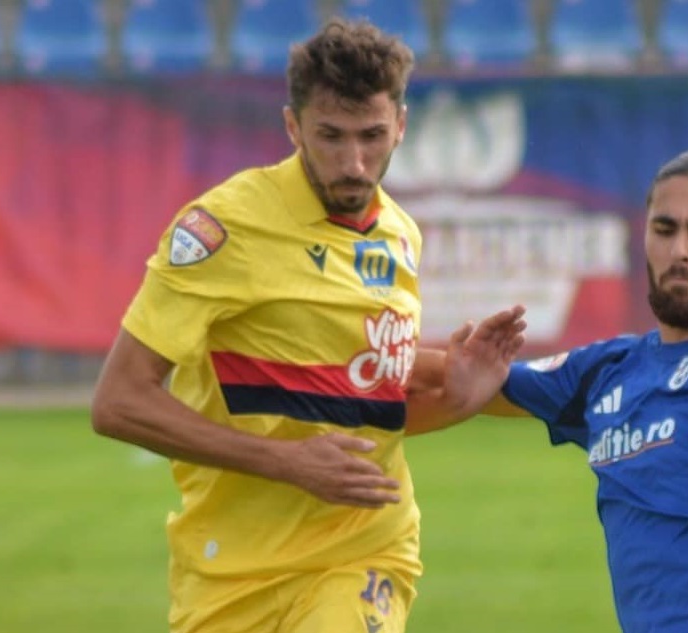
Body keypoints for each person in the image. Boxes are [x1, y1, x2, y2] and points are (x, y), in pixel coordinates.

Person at [90, 18, 526, 633]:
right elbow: (118, 402)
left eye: (372, 136)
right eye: (330, 136)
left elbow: (363, 405)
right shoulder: (224, 229)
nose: (354, 162)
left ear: (401, 125)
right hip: (229, 574)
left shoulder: (401, 234)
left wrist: (457, 394)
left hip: (363, 554)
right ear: (293, 126)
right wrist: (286, 461)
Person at [417, 147, 688, 633]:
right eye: (665, 229)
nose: (680, 250)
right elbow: (465, 378)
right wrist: (365, 357)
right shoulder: (608, 369)